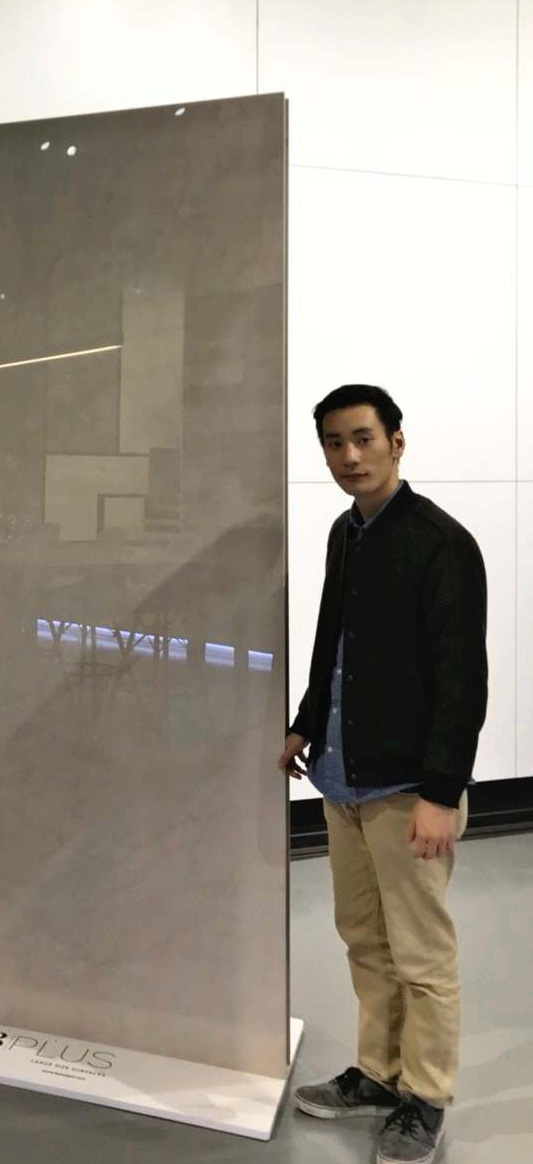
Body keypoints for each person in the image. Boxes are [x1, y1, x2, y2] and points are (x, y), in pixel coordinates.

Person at [278, 384, 487, 1164]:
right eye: (333, 442)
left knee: (420, 955)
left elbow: (462, 681)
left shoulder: (440, 543)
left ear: (396, 442)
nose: (348, 455)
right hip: (342, 776)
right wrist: (304, 722)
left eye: (362, 438)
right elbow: (330, 641)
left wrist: (439, 792)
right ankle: (377, 1073)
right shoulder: (347, 532)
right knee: (364, 939)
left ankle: (424, 1097)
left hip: (406, 788)